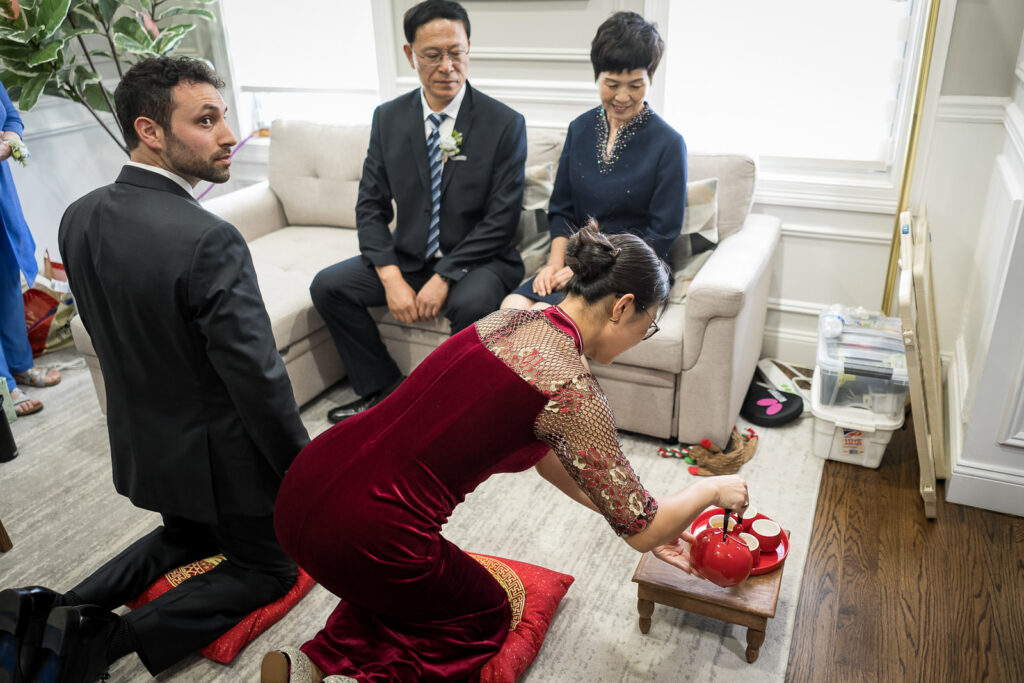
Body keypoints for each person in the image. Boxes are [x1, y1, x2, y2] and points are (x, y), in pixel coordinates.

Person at [262, 224, 750, 683]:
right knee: (481, 616)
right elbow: (643, 532)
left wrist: (626, 512)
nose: (641, 340)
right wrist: (710, 488)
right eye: (648, 326)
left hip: (303, 486)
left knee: (402, 588)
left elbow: (547, 457)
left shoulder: (512, 318)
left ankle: (309, 664)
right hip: (369, 531)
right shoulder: (572, 390)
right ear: (623, 307)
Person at [0, 57, 309, 683]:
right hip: (225, 465)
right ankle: (101, 641)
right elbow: (258, 380)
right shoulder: (208, 238)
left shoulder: (79, 215)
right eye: (206, 120)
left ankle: (52, 611)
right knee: (268, 569)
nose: (229, 135)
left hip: (148, 452)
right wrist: (302, 470)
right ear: (150, 130)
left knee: (186, 538)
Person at [311, 0, 528, 424]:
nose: (447, 66)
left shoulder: (504, 123)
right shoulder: (389, 118)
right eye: (433, 55)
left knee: (473, 304)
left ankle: (452, 412)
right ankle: (386, 391)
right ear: (410, 54)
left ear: (469, 48)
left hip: (479, 260)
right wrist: (390, 275)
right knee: (329, 286)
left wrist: (444, 276)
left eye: (456, 53)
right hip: (410, 256)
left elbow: (501, 221)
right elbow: (370, 206)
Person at [502, 11, 686, 310]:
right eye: (612, 84)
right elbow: (561, 210)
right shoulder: (580, 128)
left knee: (544, 318)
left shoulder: (669, 143)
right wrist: (553, 264)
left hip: (631, 269)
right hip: (574, 262)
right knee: (511, 306)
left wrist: (581, 269)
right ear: (597, 77)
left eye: (636, 85)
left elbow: (660, 236)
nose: (623, 96)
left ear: (650, 78)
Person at [1, 80, 62, 417]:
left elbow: (10, 116)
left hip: (0, 196)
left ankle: (20, 365)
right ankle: (3, 384)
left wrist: (10, 140)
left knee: (8, 281)